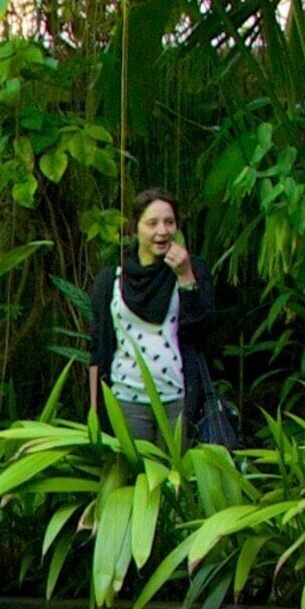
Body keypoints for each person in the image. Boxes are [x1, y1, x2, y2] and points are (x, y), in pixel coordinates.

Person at [84, 190, 219, 445]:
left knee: (174, 478)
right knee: (134, 479)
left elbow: (202, 330)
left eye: (169, 222)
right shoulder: (111, 279)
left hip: (178, 399)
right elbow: (97, 349)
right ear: (136, 228)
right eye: (152, 223)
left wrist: (185, 275)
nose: (162, 231)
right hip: (126, 398)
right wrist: (95, 411)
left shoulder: (193, 268)